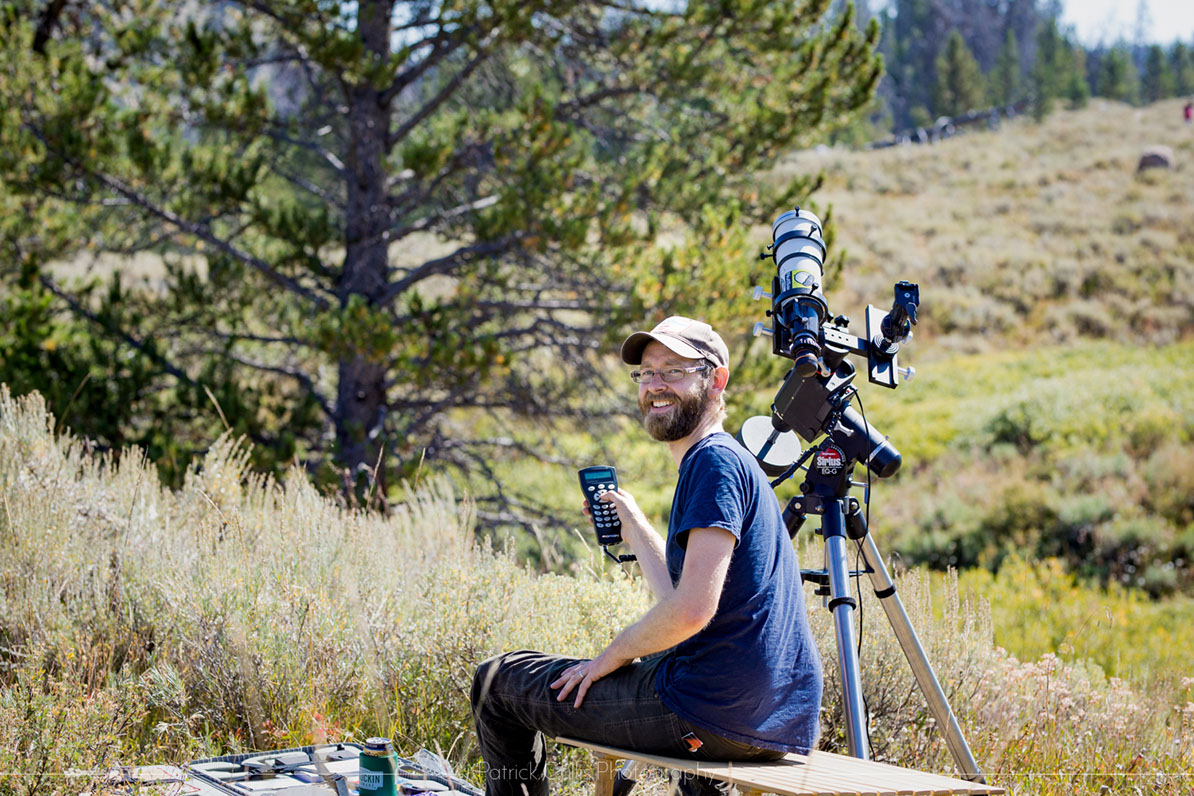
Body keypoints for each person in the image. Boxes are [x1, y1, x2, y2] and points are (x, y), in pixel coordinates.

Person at [471, 316, 823, 796]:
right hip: (772, 721)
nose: (655, 386)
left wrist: (608, 658)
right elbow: (682, 601)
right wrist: (634, 525)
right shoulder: (731, 461)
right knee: (680, 685)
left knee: (497, 683)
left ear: (715, 379)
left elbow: (692, 611)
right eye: (646, 373)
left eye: (673, 371)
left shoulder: (713, 462)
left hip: (711, 709)